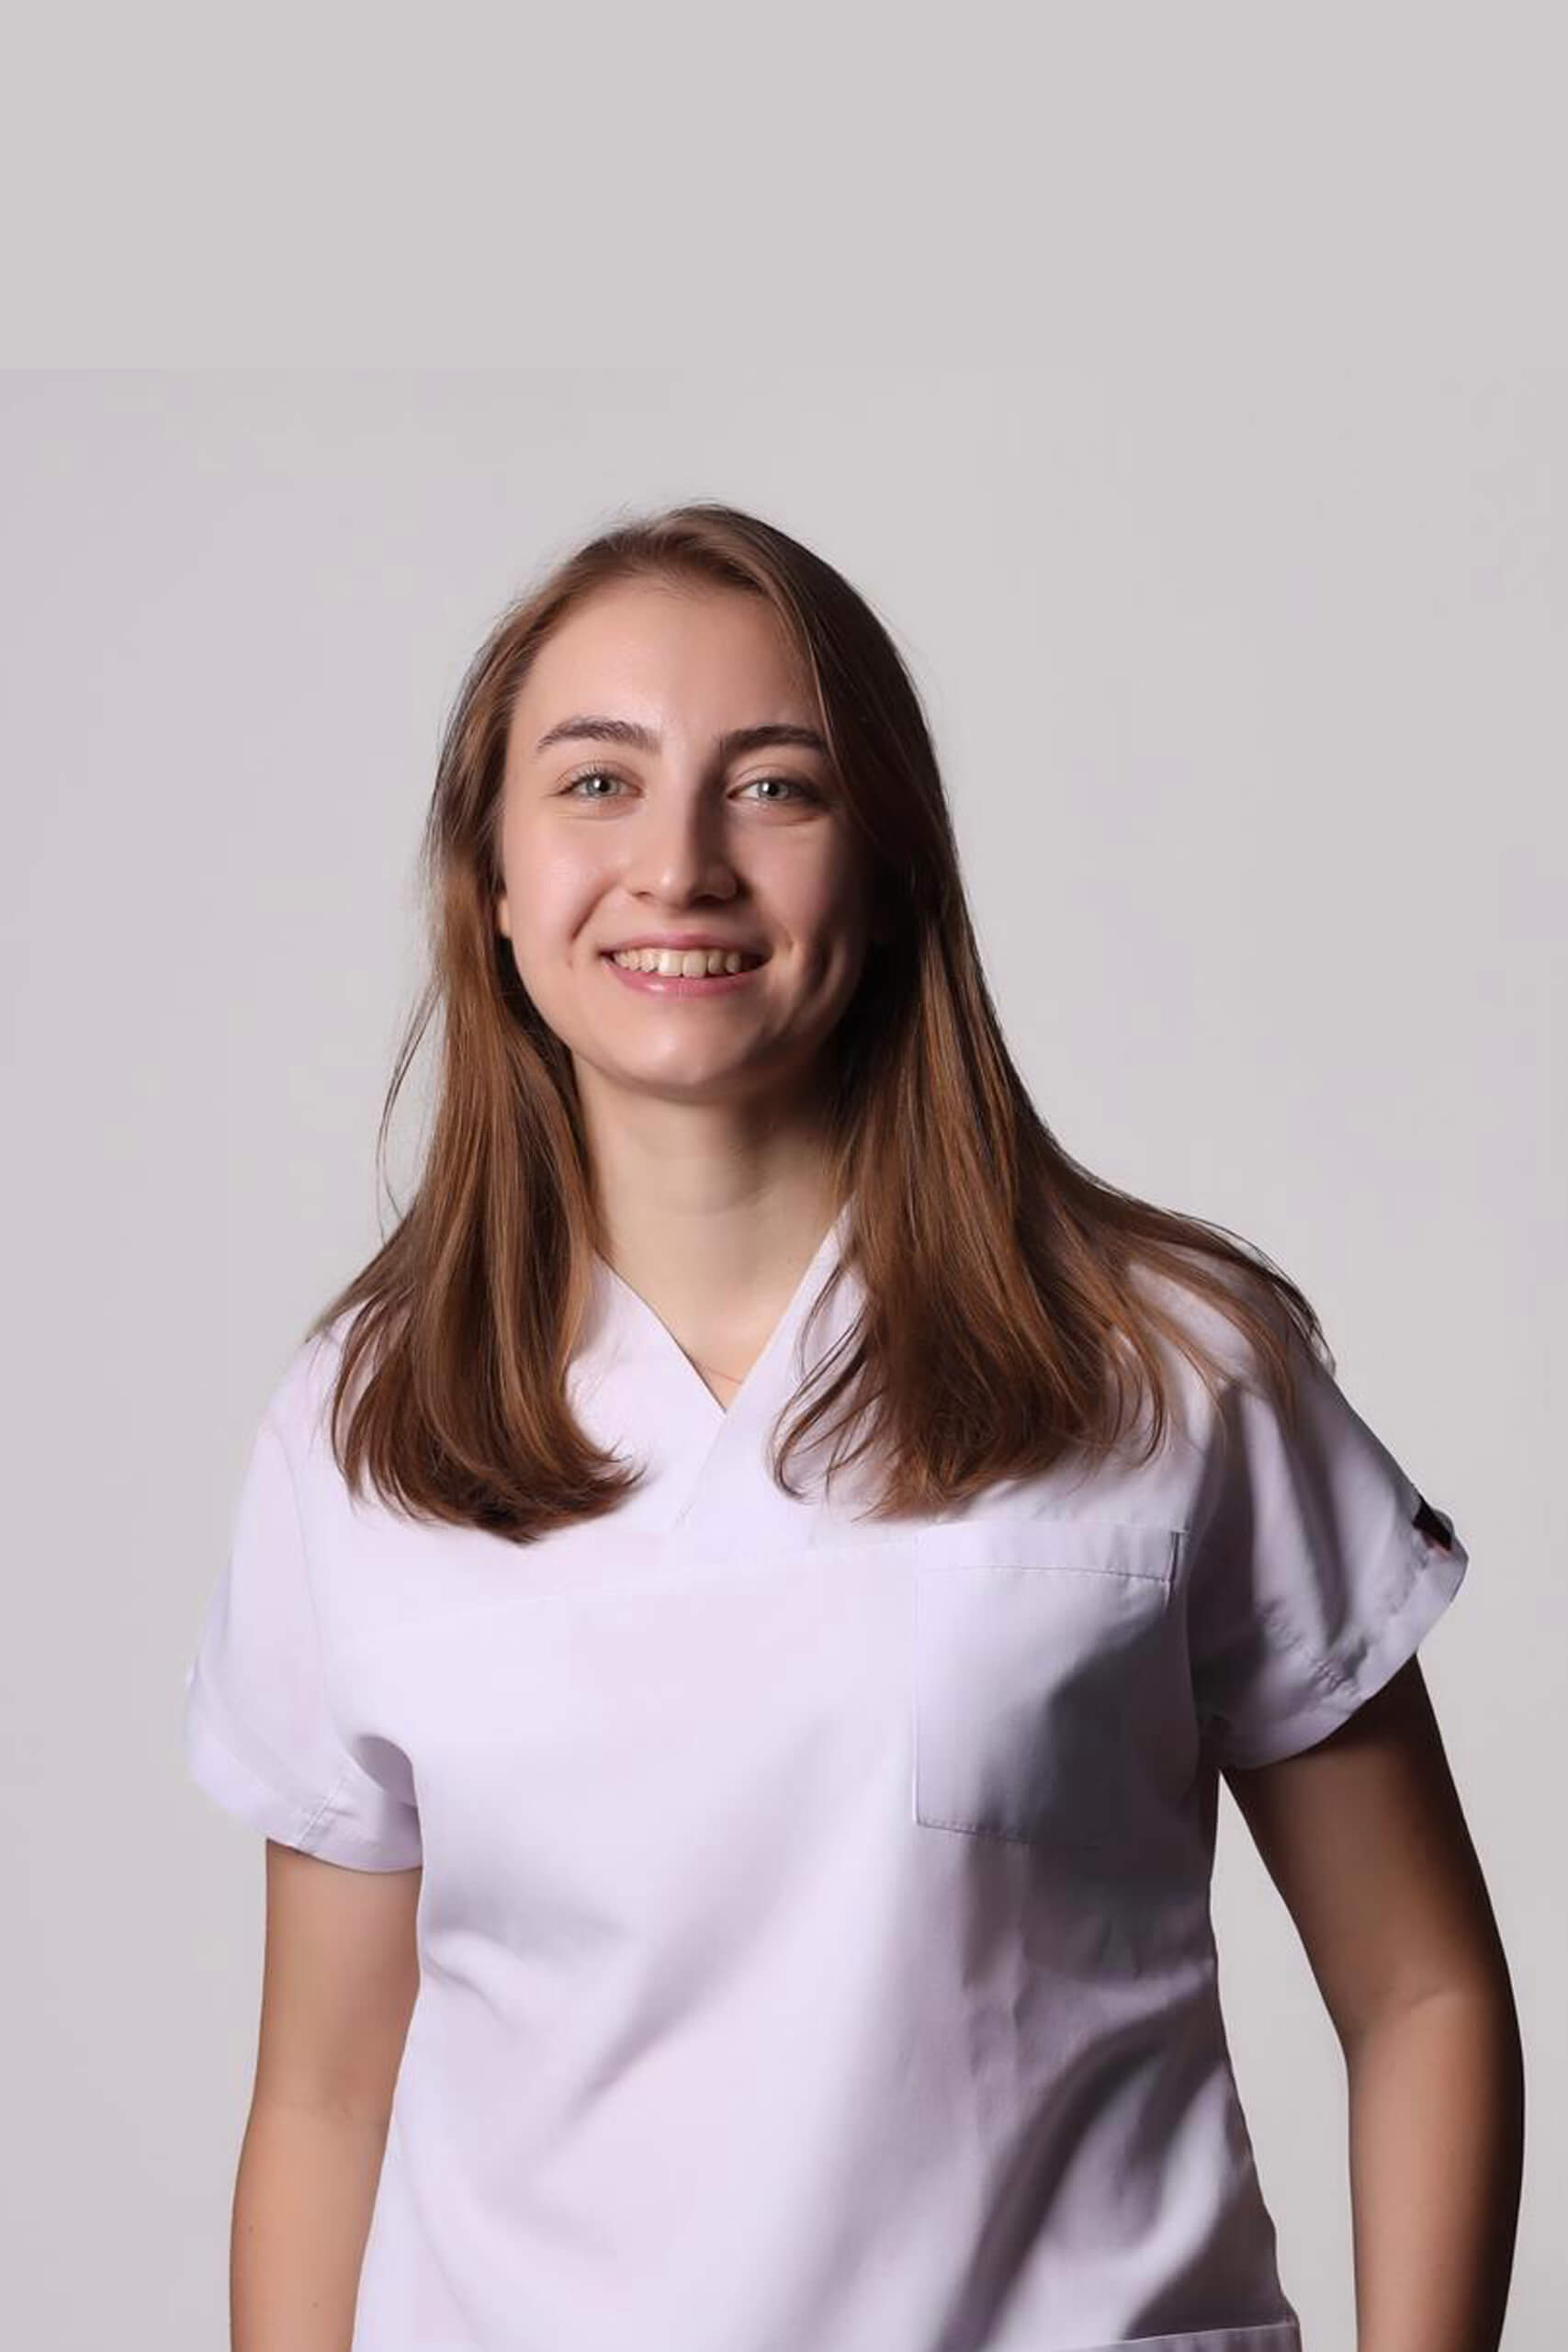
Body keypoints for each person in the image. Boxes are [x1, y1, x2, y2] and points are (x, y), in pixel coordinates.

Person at [181, 501, 1522, 2352]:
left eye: (773, 787)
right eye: (595, 782)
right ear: (487, 875)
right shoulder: (365, 1427)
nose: (677, 866)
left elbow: (1420, 1991)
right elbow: (327, 2098)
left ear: (889, 864)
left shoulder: (1173, 1366)